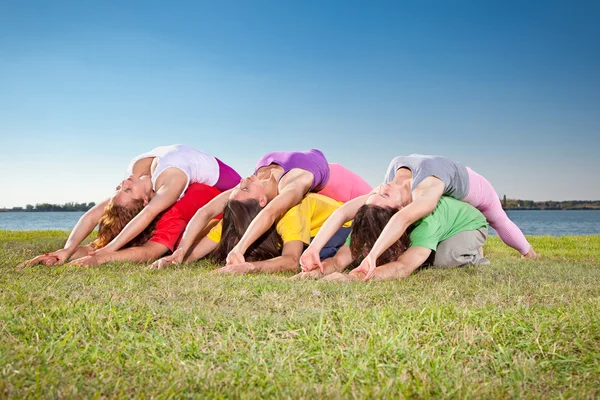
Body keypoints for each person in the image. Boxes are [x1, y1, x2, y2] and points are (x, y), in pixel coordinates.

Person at [300, 154, 536, 280]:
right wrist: (314, 257)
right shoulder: (382, 197)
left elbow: (403, 266)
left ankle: (525, 252)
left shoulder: (425, 197)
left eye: (378, 195)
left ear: (401, 209)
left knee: (442, 259)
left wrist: (368, 263)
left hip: (474, 201)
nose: (378, 191)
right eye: (374, 196)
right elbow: (342, 214)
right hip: (439, 195)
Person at [16, 144, 240, 268]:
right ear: (145, 200)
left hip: (237, 193)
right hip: (237, 199)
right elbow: (150, 237)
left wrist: (71, 249)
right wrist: (101, 253)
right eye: (126, 190)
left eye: (120, 189)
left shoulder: (136, 176)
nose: (123, 184)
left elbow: (94, 214)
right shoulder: (171, 189)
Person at [152, 149, 371, 268]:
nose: (243, 180)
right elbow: (206, 213)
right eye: (243, 188)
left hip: (342, 183)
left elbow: (207, 211)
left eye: (242, 187)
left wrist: (239, 250)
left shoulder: (266, 193)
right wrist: (182, 255)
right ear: (261, 200)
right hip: (338, 199)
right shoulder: (291, 190)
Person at [16, 183, 222, 269]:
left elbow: (150, 252)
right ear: (144, 203)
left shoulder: (172, 194)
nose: (126, 181)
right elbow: (96, 247)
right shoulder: (171, 213)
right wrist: (62, 253)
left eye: (125, 188)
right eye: (126, 188)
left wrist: (104, 256)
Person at [149, 193, 352, 274]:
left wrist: (247, 268)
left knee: (307, 261)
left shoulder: (290, 210)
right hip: (309, 233)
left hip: (341, 228)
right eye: (243, 188)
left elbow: (291, 260)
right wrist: (176, 259)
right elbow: (197, 251)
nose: (246, 177)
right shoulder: (237, 215)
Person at [317, 196, 490, 281]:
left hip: (467, 224)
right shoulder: (369, 217)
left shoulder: (426, 221)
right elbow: (340, 260)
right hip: (440, 225)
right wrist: (314, 272)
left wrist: (353, 278)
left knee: (441, 259)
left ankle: (474, 252)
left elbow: (403, 267)